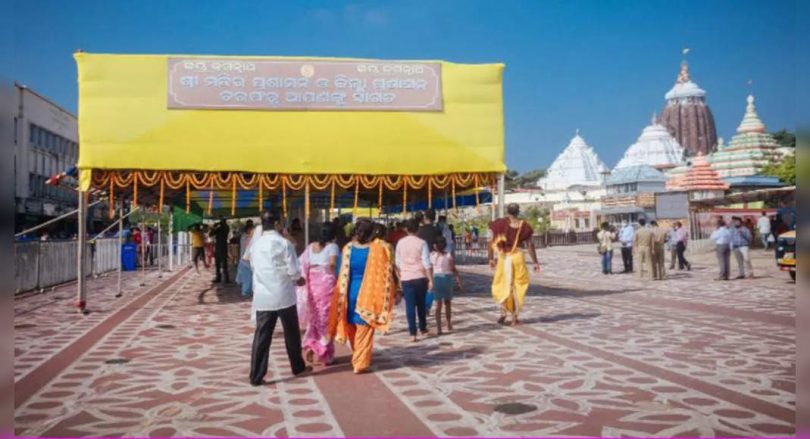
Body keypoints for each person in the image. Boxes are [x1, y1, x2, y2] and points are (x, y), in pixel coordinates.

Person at [244, 211, 310, 386]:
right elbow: (293, 270)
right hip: (284, 295)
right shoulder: (284, 243)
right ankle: (297, 366)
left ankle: (256, 375)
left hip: (264, 297)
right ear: (276, 224)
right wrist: (299, 280)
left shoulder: (255, 246)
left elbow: (253, 267)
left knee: (262, 336)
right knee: (292, 334)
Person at [328, 219, 396, 374]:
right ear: (372, 233)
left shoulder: (348, 249)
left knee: (352, 327)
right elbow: (387, 273)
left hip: (349, 293)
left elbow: (340, 272)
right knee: (363, 330)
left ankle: (358, 355)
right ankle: (360, 363)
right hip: (368, 294)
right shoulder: (378, 249)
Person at [488, 203, 539, 326]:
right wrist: (535, 262)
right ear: (518, 212)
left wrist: (490, 258)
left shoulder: (499, 224)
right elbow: (530, 245)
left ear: (508, 211)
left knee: (503, 284)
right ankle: (515, 317)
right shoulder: (524, 226)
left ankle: (503, 313)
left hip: (503, 257)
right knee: (518, 286)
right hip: (517, 257)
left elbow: (491, 241)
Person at [298, 222, 340, 365]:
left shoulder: (310, 247)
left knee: (315, 318)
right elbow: (333, 264)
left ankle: (312, 345)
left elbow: (302, 263)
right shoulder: (332, 247)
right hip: (326, 284)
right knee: (328, 319)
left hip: (312, 286)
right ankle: (324, 353)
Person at [396, 218, 433, 342]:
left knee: (410, 306)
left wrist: (400, 276)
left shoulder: (400, 243)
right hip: (420, 276)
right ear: (418, 229)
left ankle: (412, 332)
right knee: (421, 304)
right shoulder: (422, 243)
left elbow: (398, 262)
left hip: (406, 277)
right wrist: (430, 279)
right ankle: (422, 328)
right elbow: (426, 262)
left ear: (406, 229)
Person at [431, 236, 462, 335]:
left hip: (436, 279)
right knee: (447, 304)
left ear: (435, 246)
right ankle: (448, 323)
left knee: (438, 305)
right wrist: (459, 282)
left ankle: (439, 328)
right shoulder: (448, 255)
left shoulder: (432, 255)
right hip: (447, 280)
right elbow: (453, 269)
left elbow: (429, 269)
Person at [236, 222, 255, 296]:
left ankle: (247, 291)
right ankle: (246, 291)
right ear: (248, 230)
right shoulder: (245, 238)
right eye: (252, 229)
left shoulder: (246, 237)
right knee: (247, 277)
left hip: (246, 260)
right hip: (246, 260)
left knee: (248, 277)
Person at [210, 219, 231, 283]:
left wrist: (214, 226)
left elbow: (211, 234)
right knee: (220, 264)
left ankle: (223, 278)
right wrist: (215, 227)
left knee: (221, 264)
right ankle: (223, 278)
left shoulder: (222, 229)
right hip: (221, 247)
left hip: (220, 247)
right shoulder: (224, 228)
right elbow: (211, 234)